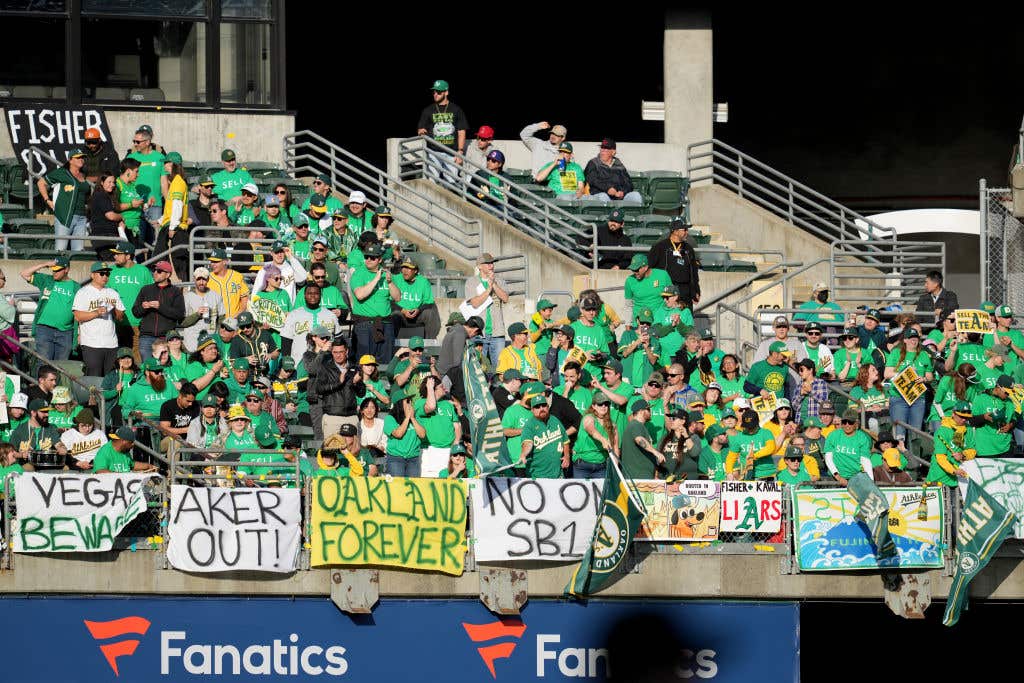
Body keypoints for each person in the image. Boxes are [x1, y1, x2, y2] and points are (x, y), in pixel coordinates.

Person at [73, 262, 126, 376]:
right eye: (101, 273)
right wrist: (96, 313)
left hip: (111, 343)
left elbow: (120, 317)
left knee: (110, 378)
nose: (105, 276)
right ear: (92, 275)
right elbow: (78, 316)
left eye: (107, 274)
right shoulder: (83, 292)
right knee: (94, 377)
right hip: (91, 343)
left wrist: (116, 309)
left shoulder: (112, 292)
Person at [21, 256, 79, 361]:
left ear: (66, 269)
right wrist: (44, 264)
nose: (54, 273)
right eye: (53, 270)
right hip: (44, 329)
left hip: (65, 332)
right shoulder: (47, 280)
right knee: (44, 364)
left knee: (62, 367)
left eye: (57, 270)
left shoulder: (76, 287)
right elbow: (24, 274)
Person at [884, 328, 933, 443]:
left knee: (915, 433)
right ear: (905, 340)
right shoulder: (896, 352)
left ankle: (913, 458)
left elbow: (930, 376)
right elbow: (887, 373)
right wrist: (905, 373)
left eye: (916, 338)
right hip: (898, 396)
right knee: (899, 433)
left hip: (918, 397)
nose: (914, 341)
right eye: (911, 338)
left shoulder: (924, 355)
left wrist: (924, 379)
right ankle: (899, 458)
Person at [130, 260, 184, 362]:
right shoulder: (146, 289)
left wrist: (161, 307)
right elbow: (135, 312)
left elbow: (179, 314)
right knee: (148, 367)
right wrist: (143, 307)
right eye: (154, 270)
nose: (155, 273)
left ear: (168, 274)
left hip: (165, 337)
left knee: (165, 368)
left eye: (159, 271)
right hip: (146, 337)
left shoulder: (175, 291)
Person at [37, 147, 90, 251]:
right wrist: (47, 200)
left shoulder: (83, 174)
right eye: (78, 157)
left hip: (81, 217)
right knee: (60, 250)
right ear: (70, 160)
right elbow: (41, 183)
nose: (81, 159)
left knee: (78, 251)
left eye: (82, 157)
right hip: (65, 216)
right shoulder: (62, 172)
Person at [464, 253, 510, 368]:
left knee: (499, 367)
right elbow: (474, 303)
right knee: (477, 366)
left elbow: (505, 298)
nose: (491, 265)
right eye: (488, 263)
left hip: (497, 332)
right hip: (479, 332)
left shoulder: (499, 281)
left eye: (492, 263)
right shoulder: (471, 282)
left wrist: (493, 284)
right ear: (479, 266)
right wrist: (488, 289)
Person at [417, 79, 469, 179]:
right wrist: (421, 131)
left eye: (439, 92)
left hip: (451, 153)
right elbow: (421, 128)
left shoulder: (456, 109)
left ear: (446, 92)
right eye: (434, 92)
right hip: (433, 152)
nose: (435, 94)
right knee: (433, 180)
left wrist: (460, 152)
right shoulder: (427, 110)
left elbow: (461, 131)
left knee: (452, 182)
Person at [314, 337, 364, 437]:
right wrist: (338, 382)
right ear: (331, 352)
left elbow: (361, 393)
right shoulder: (325, 367)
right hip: (332, 416)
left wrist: (356, 383)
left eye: (341, 352)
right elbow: (318, 389)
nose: (338, 355)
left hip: (351, 416)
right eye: (335, 352)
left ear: (347, 351)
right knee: (331, 451)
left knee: (352, 452)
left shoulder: (354, 368)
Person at [126, 125, 167, 246]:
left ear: (148, 142)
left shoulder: (159, 157)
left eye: (138, 141)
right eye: (134, 141)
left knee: (155, 241)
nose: (135, 144)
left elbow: (164, 182)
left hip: (155, 205)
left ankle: (153, 264)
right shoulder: (131, 158)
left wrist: (168, 200)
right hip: (136, 206)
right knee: (138, 239)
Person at [647, 218, 701, 308]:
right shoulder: (660, 247)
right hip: (667, 289)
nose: (687, 232)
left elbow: (694, 272)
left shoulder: (688, 248)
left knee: (686, 319)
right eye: (684, 230)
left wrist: (696, 290)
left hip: (685, 290)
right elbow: (650, 268)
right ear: (675, 231)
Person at [414, 375, 461, 476]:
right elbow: (431, 406)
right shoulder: (420, 403)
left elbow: (456, 426)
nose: (444, 388)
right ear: (433, 389)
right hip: (429, 451)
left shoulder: (448, 404)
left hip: (448, 450)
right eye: (441, 386)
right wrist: (430, 388)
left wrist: (456, 442)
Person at [280, 285, 338, 364]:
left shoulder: (330, 315)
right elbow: (286, 342)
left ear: (321, 295)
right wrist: (286, 364)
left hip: (326, 364)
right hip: (299, 363)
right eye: (309, 293)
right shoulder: (293, 315)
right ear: (304, 295)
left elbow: (338, 340)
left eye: (316, 293)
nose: (313, 296)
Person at [518, 394, 570, 479]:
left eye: (543, 405)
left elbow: (565, 440)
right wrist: (523, 454)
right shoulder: (529, 425)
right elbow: (527, 443)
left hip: (558, 474)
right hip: (538, 475)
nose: (541, 409)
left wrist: (567, 456)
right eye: (537, 407)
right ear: (532, 410)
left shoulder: (555, 420)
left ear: (548, 407)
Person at [927, 401, 976, 486]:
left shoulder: (969, 430)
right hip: (939, 477)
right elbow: (940, 457)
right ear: (953, 414)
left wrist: (962, 455)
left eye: (966, 417)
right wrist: (953, 471)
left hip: (959, 478)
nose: (964, 419)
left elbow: (972, 450)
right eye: (961, 416)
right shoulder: (942, 430)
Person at [158, 151, 191, 278]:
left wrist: (172, 227)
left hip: (177, 229)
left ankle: (183, 290)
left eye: (166, 163)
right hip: (174, 225)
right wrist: (161, 220)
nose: (165, 166)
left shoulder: (177, 182)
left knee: (179, 265)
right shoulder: (177, 182)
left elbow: (177, 206)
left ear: (172, 164)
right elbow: (171, 207)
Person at [392, 256, 440, 339]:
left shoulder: (423, 281)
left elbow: (429, 302)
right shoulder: (396, 279)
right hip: (401, 313)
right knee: (395, 315)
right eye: (403, 267)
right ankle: (392, 343)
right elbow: (389, 301)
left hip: (417, 314)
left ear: (415, 270)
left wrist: (418, 310)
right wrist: (403, 310)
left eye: (409, 268)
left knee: (430, 314)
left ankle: (430, 343)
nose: (405, 271)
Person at [617, 399, 666, 479]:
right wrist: (656, 452)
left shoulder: (638, 426)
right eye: (648, 410)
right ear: (641, 411)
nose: (651, 412)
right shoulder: (635, 425)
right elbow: (639, 439)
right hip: (637, 476)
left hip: (641, 475)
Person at [823, 408, 873, 485]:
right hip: (834, 477)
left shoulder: (862, 438)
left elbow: (865, 461)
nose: (847, 425)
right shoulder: (833, 435)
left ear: (856, 423)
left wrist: (871, 482)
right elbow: (828, 458)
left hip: (855, 478)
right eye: (844, 422)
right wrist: (838, 477)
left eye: (850, 422)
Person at [971, 375, 1017, 458]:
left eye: (1010, 393)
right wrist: (984, 417)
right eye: (1006, 392)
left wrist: (1010, 425)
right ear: (998, 388)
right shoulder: (981, 398)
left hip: (1005, 448)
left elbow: (1014, 419)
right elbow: (971, 421)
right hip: (986, 449)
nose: (1008, 395)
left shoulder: (1010, 402)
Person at [726, 410, 776, 480]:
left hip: (767, 474)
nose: (750, 429)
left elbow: (771, 447)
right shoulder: (738, 437)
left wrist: (753, 456)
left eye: (752, 427)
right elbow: (731, 457)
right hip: (747, 475)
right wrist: (729, 472)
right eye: (747, 427)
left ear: (757, 423)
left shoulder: (766, 433)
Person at [207, 248, 250, 319]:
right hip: (215, 322)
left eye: (216, 261)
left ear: (225, 262)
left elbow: (244, 299)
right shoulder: (207, 278)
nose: (213, 264)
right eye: (211, 261)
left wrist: (238, 314)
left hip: (235, 322)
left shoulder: (237, 276)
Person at [114, 158, 148, 252]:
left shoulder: (132, 185)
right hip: (125, 228)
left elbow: (136, 205)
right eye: (136, 171)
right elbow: (114, 206)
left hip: (135, 228)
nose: (138, 174)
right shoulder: (117, 184)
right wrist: (131, 204)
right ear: (128, 171)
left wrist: (146, 205)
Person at [88, 173, 123, 261]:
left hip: (109, 236)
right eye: (109, 182)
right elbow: (110, 216)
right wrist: (122, 217)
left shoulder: (107, 196)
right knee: (112, 262)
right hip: (103, 236)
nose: (112, 185)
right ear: (102, 182)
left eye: (113, 182)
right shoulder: (101, 195)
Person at [92, 426, 157, 473]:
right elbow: (100, 470)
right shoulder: (104, 452)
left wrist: (148, 466)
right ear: (123, 441)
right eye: (131, 442)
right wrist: (121, 477)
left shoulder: (124, 451)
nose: (133, 444)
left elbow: (132, 464)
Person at [157, 382, 199, 453]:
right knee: (176, 441)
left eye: (192, 401)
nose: (190, 404)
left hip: (188, 440)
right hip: (167, 440)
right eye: (188, 401)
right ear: (180, 396)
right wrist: (186, 430)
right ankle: (175, 464)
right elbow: (164, 431)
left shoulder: (195, 406)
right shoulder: (168, 406)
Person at [850, 363, 889, 433]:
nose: (877, 372)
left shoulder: (882, 389)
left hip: (883, 416)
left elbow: (889, 406)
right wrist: (868, 409)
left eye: (876, 370)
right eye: (873, 370)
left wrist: (881, 407)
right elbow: (852, 410)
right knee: (873, 422)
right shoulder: (856, 390)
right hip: (866, 419)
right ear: (865, 374)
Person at [791, 359, 829, 423]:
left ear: (810, 370)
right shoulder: (799, 385)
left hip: (814, 422)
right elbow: (794, 406)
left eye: (802, 370)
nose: (800, 372)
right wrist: (801, 395)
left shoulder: (821, 383)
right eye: (799, 370)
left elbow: (825, 404)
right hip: (800, 422)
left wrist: (811, 391)